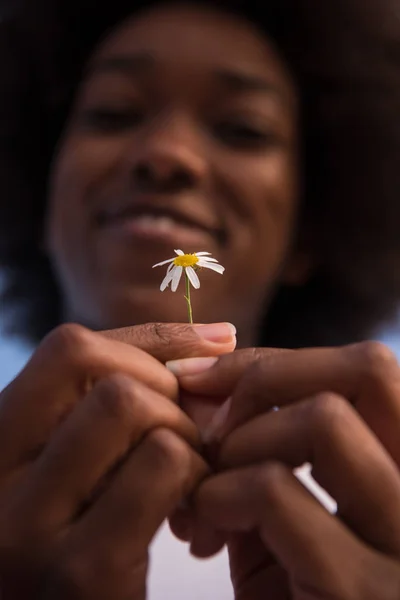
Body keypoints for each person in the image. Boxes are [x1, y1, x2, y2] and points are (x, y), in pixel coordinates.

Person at [1, 0, 400, 597]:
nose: (166, 154)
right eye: (112, 114)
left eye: (242, 129)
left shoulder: (370, 527)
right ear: (41, 198)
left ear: (309, 233)